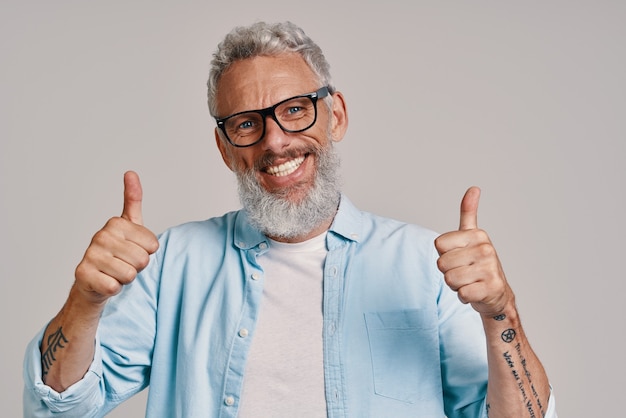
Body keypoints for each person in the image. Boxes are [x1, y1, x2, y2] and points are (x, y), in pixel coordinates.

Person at [24, 21, 557, 417]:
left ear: (336, 115)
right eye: (246, 123)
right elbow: (57, 407)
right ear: (225, 147)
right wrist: (84, 303)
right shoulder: (171, 265)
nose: (275, 141)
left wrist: (501, 314)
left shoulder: (425, 264)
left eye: (295, 109)